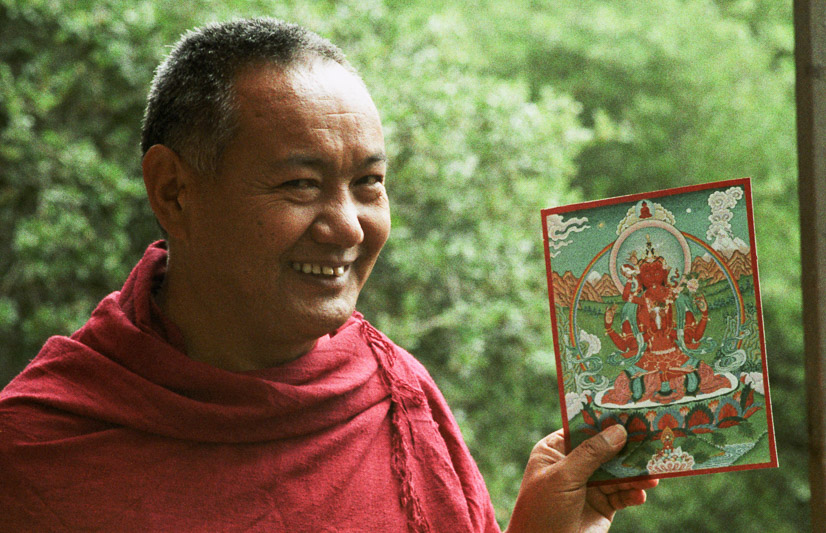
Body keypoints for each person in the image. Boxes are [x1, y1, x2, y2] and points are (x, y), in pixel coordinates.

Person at [0, 18, 656, 532]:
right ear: (174, 191)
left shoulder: (396, 396)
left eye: (368, 183)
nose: (347, 226)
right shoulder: (37, 450)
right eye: (301, 184)